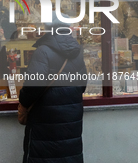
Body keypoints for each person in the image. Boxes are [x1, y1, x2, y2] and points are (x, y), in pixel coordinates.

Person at [19, 11, 87, 163]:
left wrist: (23, 100)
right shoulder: (77, 51)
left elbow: (33, 86)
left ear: (48, 27)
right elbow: (83, 84)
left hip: (45, 117)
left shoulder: (43, 51)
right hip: (71, 118)